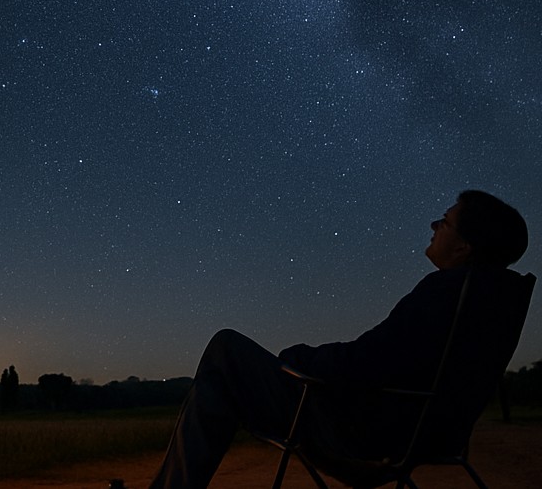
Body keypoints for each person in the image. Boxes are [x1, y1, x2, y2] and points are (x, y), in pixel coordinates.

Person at [148, 190, 530, 489]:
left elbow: (368, 361)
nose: (433, 225)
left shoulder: (447, 291)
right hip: (422, 439)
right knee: (227, 372)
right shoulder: (493, 300)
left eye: (444, 222)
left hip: (363, 440)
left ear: (464, 247)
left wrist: (296, 359)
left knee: (225, 349)